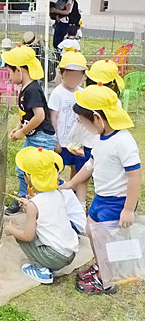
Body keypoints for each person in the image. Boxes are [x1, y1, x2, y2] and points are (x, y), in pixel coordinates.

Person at [60, 84, 141, 294]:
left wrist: (128, 209)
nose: (82, 125)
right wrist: (70, 184)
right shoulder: (101, 139)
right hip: (101, 197)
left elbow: (135, 176)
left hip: (117, 201)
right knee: (92, 231)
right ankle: (101, 267)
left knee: (104, 239)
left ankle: (107, 281)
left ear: (97, 118)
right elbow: (90, 165)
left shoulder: (123, 142)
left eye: (84, 121)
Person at [4, 146, 81, 284]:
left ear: (30, 178)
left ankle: (41, 269)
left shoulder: (35, 205)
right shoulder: (58, 194)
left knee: (21, 236)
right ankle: (51, 263)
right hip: (70, 253)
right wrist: (30, 204)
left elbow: (28, 236)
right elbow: (46, 208)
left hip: (55, 257)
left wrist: (11, 231)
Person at [1, 45, 57, 215]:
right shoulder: (26, 89)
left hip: (41, 138)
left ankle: (42, 203)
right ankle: (24, 199)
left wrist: (22, 132)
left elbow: (39, 116)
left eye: (10, 72)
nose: (10, 77)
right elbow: (26, 114)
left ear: (19, 70)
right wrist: (18, 128)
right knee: (23, 169)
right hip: (34, 136)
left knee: (39, 172)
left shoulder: (32, 90)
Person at [48, 50, 89, 206]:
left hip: (77, 141)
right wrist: (56, 140)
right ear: (61, 73)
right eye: (70, 74)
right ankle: (53, 191)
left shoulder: (82, 93)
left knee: (77, 167)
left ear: (83, 76)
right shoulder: (58, 93)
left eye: (77, 76)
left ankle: (73, 193)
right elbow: (54, 117)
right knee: (57, 166)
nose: (73, 79)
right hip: (62, 140)